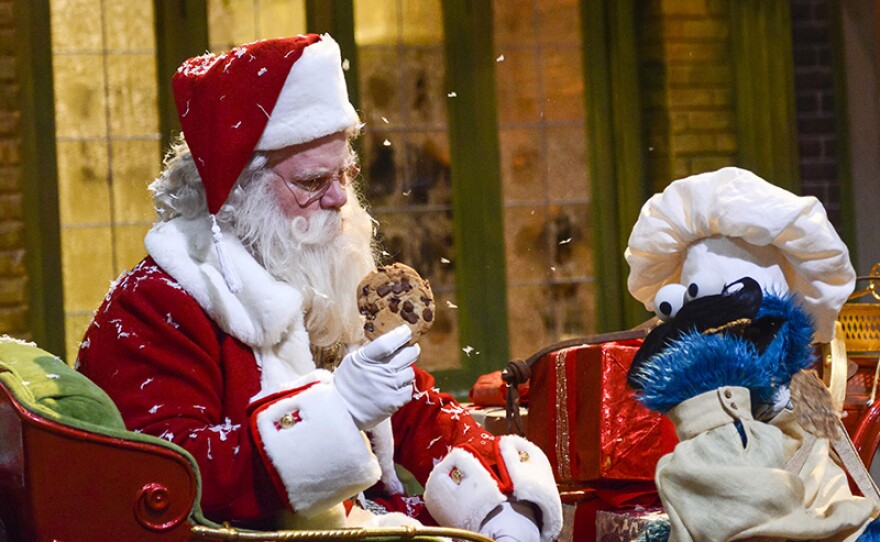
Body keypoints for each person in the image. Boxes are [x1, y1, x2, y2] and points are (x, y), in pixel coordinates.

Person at [76, 34, 562, 541]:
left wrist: (499, 503)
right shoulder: (156, 304)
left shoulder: (312, 271)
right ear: (237, 191)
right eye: (312, 182)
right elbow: (168, 478)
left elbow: (415, 410)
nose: (338, 199)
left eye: (344, 175)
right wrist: (336, 414)